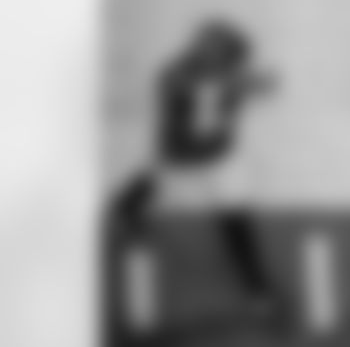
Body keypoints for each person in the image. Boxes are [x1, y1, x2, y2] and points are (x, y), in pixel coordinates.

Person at [107, 18, 285, 327]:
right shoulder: (175, 77)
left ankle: (261, 296)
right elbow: (196, 115)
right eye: (224, 58)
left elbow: (257, 86)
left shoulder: (227, 77)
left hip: (219, 159)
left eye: (230, 60)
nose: (232, 66)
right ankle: (125, 209)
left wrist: (254, 84)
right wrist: (235, 89)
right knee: (153, 181)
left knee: (237, 224)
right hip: (180, 157)